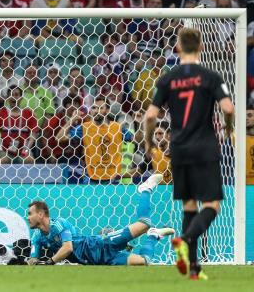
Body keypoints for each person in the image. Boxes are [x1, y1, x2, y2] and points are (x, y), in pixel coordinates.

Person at [143, 27, 234, 280]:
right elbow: (228, 108)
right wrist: (228, 128)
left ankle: (193, 268)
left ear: (178, 48)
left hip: (179, 149)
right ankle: (185, 239)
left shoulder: (168, 78)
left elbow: (150, 116)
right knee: (212, 205)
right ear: (201, 47)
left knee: (189, 206)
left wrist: (149, 141)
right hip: (204, 146)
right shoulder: (210, 76)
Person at [25, 174, 175, 266]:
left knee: (144, 224)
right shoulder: (37, 236)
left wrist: (50, 262)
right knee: (145, 261)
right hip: (100, 261)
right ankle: (153, 236)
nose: (28, 217)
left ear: (41, 214)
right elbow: (33, 259)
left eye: (30, 213)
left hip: (100, 244)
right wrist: (33, 262)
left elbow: (68, 248)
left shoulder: (58, 224)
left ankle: (145, 189)